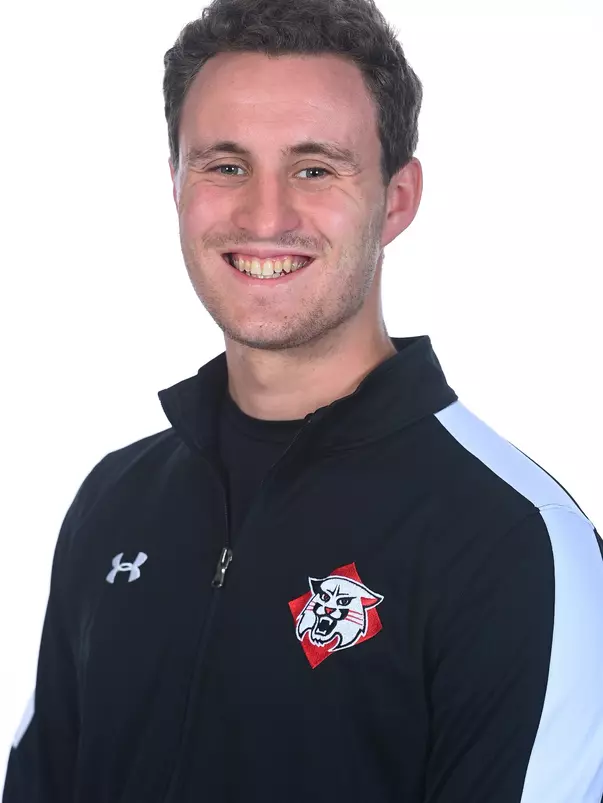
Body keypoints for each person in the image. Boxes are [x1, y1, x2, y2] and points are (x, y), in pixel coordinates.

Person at [3, 0, 603, 800]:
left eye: (315, 168)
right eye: (225, 164)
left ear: (395, 200)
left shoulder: (512, 538)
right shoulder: (115, 499)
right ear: (176, 184)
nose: (265, 215)